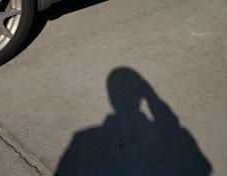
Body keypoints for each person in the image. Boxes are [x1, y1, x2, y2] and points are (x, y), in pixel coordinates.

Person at [56, 67, 212, 176]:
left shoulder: (82, 139)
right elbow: (203, 168)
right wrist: (151, 96)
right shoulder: (171, 136)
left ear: (111, 97)